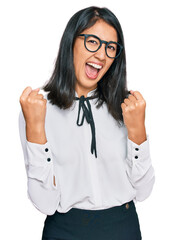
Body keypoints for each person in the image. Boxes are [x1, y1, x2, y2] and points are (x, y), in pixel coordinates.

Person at [19, 6, 155, 240]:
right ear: (71, 42)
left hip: (123, 228)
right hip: (64, 231)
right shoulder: (38, 107)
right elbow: (44, 203)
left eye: (110, 48)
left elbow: (143, 192)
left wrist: (138, 132)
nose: (102, 55)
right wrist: (35, 130)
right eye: (92, 42)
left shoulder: (127, 106)